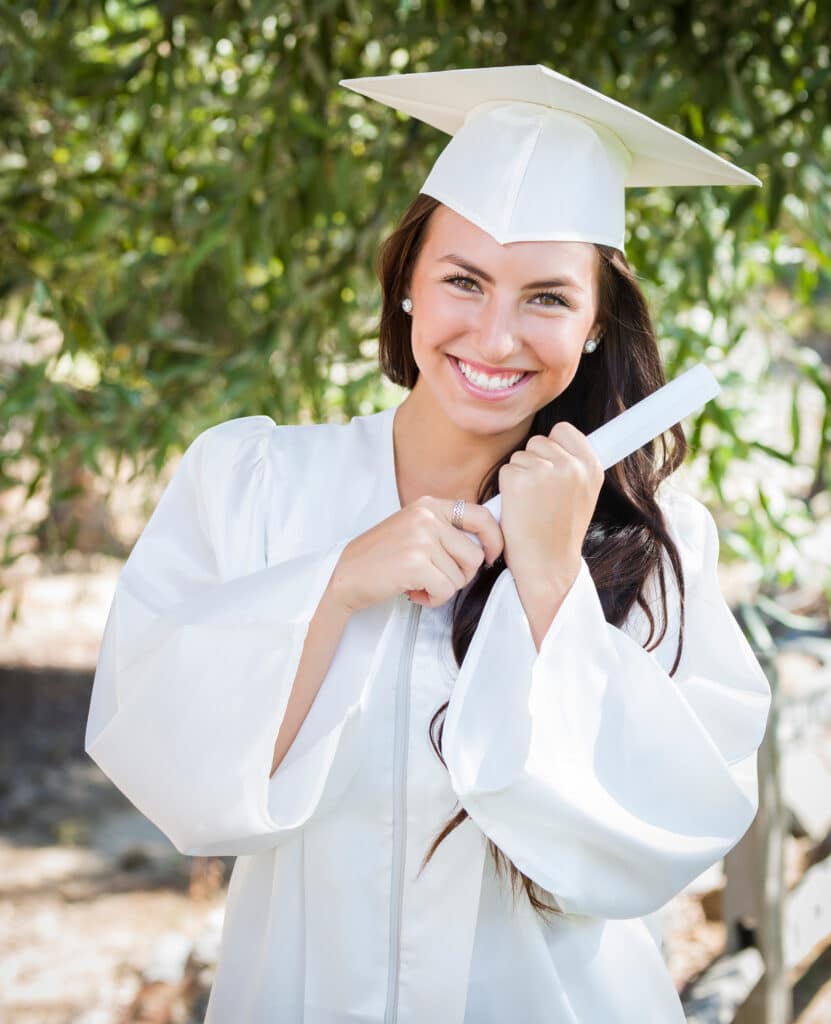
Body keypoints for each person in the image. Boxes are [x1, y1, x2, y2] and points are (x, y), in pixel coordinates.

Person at [85, 65, 772, 1023]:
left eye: (546, 298)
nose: (495, 336)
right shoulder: (255, 484)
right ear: (406, 282)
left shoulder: (652, 544)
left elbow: (664, 828)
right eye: (462, 281)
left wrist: (548, 579)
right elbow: (163, 752)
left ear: (593, 326)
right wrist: (333, 585)